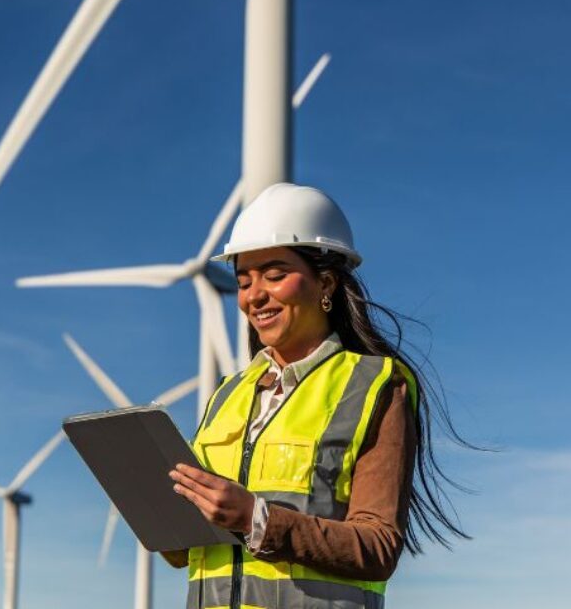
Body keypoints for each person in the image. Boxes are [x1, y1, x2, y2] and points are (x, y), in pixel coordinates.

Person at [166, 183, 470, 609]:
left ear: (324, 283)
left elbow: (377, 546)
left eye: (275, 276)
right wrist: (159, 515)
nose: (254, 296)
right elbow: (189, 552)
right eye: (243, 280)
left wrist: (257, 520)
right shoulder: (226, 394)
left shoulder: (375, 384)